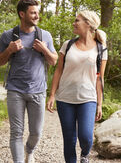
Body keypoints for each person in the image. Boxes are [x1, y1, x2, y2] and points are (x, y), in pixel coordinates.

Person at [0, 0, 58, 163]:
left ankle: (30, 150)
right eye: (33, 12)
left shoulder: (45, 35)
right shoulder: (8, 35)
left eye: (37, 12)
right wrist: (9, 50)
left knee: (36, 132)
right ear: (22, 14)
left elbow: (54, 61)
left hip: (38, 91)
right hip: (15, 90)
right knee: (16, 132)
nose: (37, 16)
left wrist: (44, 50)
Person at [46, 10, 108, 163]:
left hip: (88, 98)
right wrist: (52, 94)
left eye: (77, 20)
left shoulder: (101, 49)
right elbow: (58, 70)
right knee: (69, 138)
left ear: (88, 24)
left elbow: (100, 78)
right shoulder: (68, 45)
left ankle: (84, 155)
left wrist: (100, 104)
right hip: (65, 98)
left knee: (86, 137)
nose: (74, 23)